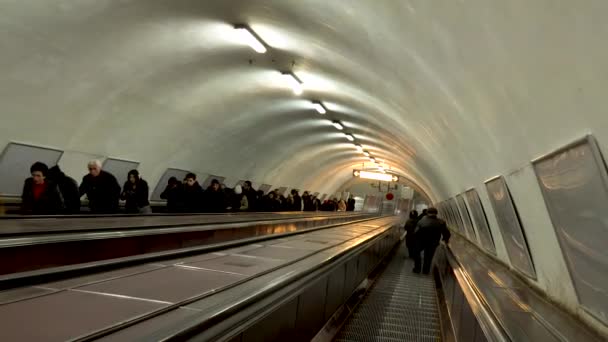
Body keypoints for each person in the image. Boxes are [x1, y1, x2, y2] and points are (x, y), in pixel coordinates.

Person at [412, 207, 450, 275]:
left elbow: (415, 232)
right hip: (433, 243)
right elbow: (447, 233)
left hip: (421, 241)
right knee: (428, 257)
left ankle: (417, 268)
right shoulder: (441, 222)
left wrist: (415, 240)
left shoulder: (422, 220)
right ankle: (425, 271)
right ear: (436, 213)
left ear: (427, 213)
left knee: (416, 253)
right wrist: (445, 240)